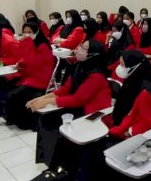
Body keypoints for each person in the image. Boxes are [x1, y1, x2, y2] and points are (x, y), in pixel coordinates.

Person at [77, 50, 151, 181]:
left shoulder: (145, 89)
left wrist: (123, 131)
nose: (119, 68)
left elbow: (144, 122)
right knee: (90, 150)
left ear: (134, 67)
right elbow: (127, 113)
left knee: (98, 156)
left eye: (122, 64)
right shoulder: (132, 81)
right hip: (122, 126)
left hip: (136, 138)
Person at [28, 39, 111, 167]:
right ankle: (49, 160)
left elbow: (78, 99)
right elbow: (65, 89)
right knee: (46, 119)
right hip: (79, 107)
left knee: (60, 129)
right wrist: (42, 99)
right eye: (81, 45)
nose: (78, 49)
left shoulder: (97, 75)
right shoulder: (79, 66)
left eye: (84, 48)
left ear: (93, 54)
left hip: (92, 114)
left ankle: (61, 166)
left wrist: (47, 102)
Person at [3, 22, 55, 130]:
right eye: (24, 32)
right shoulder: (33, 43)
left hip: (40, 79)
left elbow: (33, 63)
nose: (26, 34)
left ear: (36, 32)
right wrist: (20, 64)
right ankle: (12, 118)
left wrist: (26, 43)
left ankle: (23, 123)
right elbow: (26, 58)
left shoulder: (43, 46)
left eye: (30, 32)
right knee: (8, 86)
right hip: (30, 76)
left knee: (15, 94)